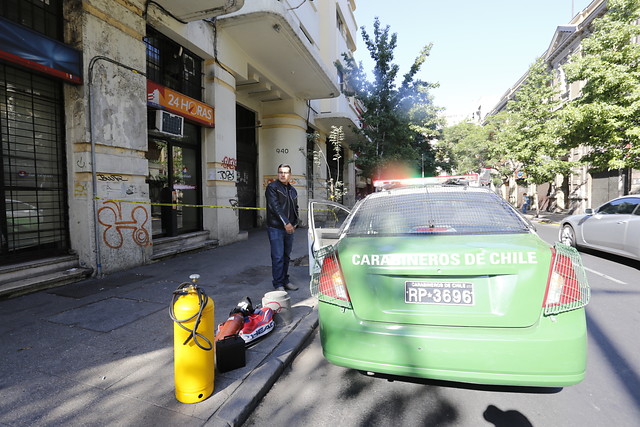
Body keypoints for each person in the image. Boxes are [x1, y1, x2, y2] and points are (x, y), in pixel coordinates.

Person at [265, 164, 299, 292]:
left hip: (289, 228)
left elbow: (295, 208)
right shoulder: (272, 187)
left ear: (290, 175)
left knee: (286, 256)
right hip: (276, 227)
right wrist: (286, 222)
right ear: (277, 174)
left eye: (285, 172)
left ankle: (285, 280)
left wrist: (295, 223)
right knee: (278, 257)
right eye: (280, 172)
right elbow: (275, 207)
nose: (283, 175)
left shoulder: (292, 190)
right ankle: (278, 284)